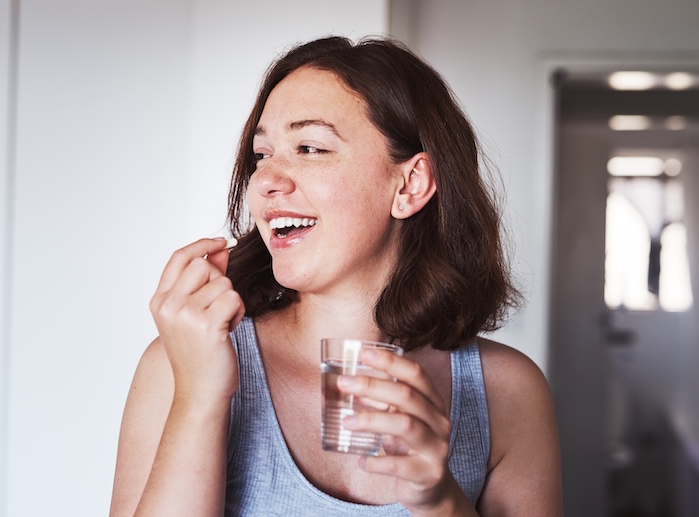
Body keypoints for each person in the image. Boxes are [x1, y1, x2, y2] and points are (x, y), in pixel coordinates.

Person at [109, 36, 562, 516]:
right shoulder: (180, 366)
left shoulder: (508, 393)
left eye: (309, 148)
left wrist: (439, 500)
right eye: (262, 155)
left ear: (410, 185)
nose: (265, 180)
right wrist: (200, 398)